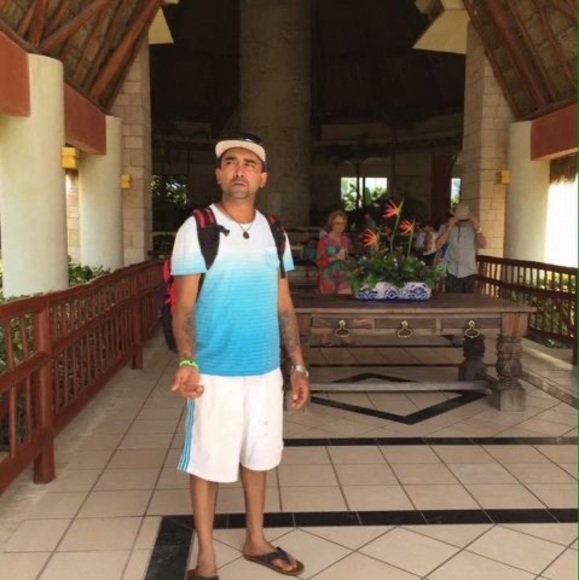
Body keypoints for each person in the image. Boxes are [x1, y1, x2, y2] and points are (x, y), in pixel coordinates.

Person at [170, 133, 310, 580]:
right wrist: (188, 360)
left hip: (265, 371)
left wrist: (297, 365)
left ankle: (255, 539)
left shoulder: (274, 231)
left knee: (259, 456)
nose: (239, 170)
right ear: (218, 173)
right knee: (207, 463)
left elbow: (284, 305)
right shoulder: (198, 227)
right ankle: (207, 558)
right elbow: (183, 305)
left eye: (249, 164)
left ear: (262, 177)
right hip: (214, 372)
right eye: (230, 162)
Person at [435, 202, 487, 293]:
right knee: (452, 299)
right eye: (460, 219)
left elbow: (483, 245)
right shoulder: (445, 226)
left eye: (464, 219)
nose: (462, 222)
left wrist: (478, 228)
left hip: (468, 270)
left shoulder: (474, 228)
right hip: (451, 270)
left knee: (468, 300)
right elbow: (438, 245)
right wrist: (449, 228)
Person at [316, 210, 353, 294]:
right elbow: (319, 261)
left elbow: (348, 259)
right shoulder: (324, 241)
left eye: (343, 223)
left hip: (344, 276)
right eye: (337, 223)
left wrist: (346, 258)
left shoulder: (346, 240)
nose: (340, 226)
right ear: (332, 224)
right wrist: (335, 258)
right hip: (328, 277)